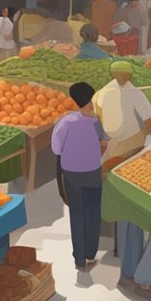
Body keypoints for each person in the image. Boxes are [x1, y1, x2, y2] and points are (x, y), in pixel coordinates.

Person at [51, 82, 107, 271]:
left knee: (77, 213)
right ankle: (91, 253)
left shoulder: (65, 122)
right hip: (91, 172)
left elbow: (56, 148)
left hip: (71, 172)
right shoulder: (96, 121)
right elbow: (105, 142)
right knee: (93, 211)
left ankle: (79, 258)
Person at [95, 61, 151, 161]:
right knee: (124, 162)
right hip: (129, 137)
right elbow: (148, 119)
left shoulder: (104, 91)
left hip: (115, 137)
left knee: (113, 162)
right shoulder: (133, 91)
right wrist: (149, 134)